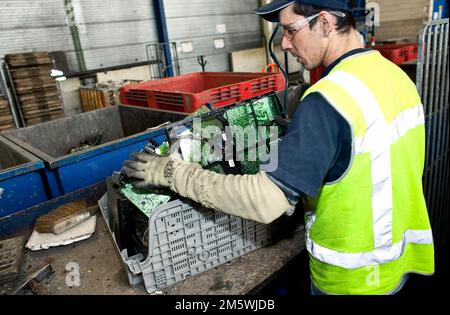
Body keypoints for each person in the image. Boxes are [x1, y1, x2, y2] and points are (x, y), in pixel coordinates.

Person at [121, 0, 434, 295]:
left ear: (324, 23)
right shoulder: (397, 78)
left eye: (290, 30)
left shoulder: (328, 100)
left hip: (349, 279)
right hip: (398, 264)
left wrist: (175, 173)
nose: (284, 44)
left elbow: (265, 201)